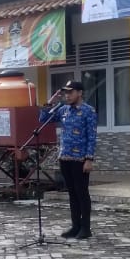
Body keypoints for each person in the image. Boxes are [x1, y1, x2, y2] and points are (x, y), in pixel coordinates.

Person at [39, 81, 97, 239]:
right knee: (72, 194)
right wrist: (50, 102)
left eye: (70, 92)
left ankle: (86, 228)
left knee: (81, 193)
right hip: (65, 157)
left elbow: (92, 137)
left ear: (80, 93)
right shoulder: (63, 110)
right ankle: (75, 226)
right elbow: (43, 119)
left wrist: (89, 159)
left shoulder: (88, 111)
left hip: (80, 159)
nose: (67, 95)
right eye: (65, 93)